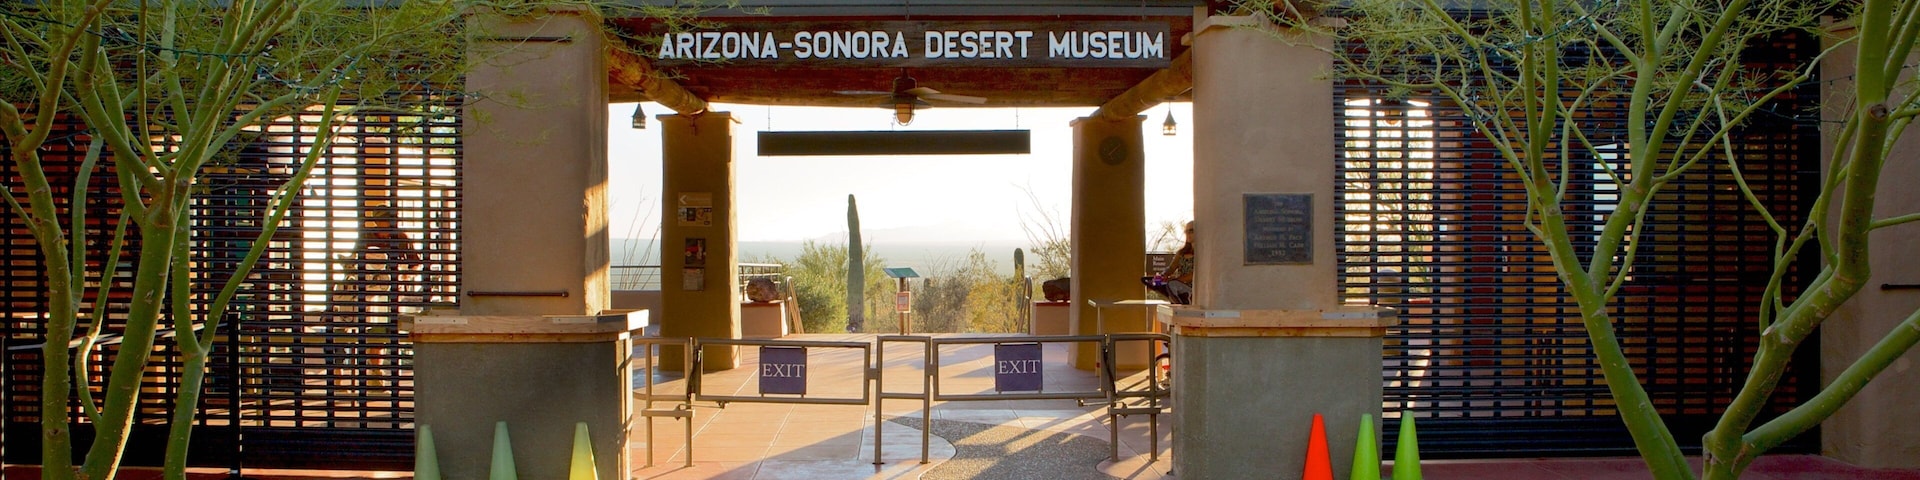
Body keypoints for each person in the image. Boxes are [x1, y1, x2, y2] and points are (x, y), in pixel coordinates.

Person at [1144, 221, 1195, 304]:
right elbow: (1171, 268)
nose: (1188, 234)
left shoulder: (1202, 255)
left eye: (1191, 231)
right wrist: (1163, 275)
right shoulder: (1181, 253)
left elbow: (1194, 275)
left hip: (1194, 289)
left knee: (1172, 285)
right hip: (1179, 287)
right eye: (1186, 231)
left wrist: (1175, 280)